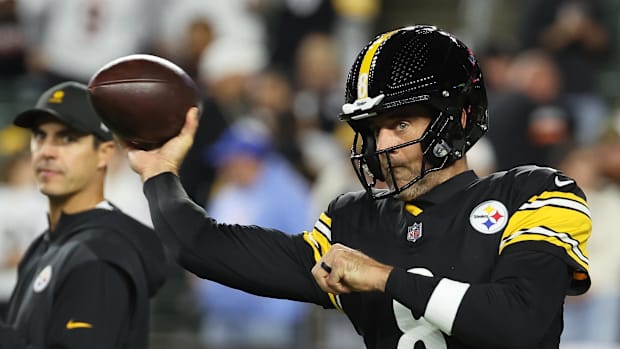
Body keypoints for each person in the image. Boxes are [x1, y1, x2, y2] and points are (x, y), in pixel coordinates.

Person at [127, 25, 592, 348]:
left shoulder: (535, 194)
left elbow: (519, 325)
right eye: (370, 130)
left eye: (400, 123)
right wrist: (158, 173)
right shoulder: (356, 221)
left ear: (459, 118)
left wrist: (384, 277)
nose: (380, 146)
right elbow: (201, 246)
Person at [0, 81, 166, 349]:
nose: (47, 151)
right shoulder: (47, 245)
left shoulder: (100, 253)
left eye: (68, 138)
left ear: (105, 153)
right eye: (40, 136)